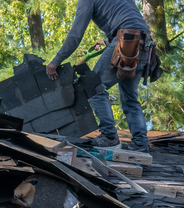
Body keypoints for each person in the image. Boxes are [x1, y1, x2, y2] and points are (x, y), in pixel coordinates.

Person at [46, 0, 151, 152]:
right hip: (145, 45)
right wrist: (109, 41)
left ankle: (109, 137)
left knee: (93, 86)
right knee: (130, 97)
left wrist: (55, 62)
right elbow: (130, 21)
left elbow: (76, 34)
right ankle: (141, 143)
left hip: (126, 41)